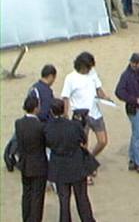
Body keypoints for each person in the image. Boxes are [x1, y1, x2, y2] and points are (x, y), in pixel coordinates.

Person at [44, 99, 95, 222]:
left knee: (64, 199)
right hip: (76, 164)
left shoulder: (48, 128)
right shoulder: (74, 125)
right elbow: (83, 140)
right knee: (82, 197)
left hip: (60, 166)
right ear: (64, 110)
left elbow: (48, 144)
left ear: (51, 112)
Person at [60, 52, 110, 166]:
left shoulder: (92, 73)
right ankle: (84, 169)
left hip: (95, 112)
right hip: (80, 114)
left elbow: (98, 89)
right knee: (83, 144)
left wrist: (105, 97)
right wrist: (65, 113)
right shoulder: (70, 78)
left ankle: (89, 159)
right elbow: (65, 97)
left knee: (103, 141)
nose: (89, 70)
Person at [113, 52, 139, 174]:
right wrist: (133, 99)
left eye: (138, 63)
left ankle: (133, 160)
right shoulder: (126, 75)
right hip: (135, 108)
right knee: (138, 137)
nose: (136, 65)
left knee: (136, 134)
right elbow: (119, 92)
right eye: (134, 63)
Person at [14, 93, 48, 222]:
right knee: (37, 197)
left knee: (26, 194)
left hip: (25, 164)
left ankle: (26, 218)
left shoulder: (18, 123)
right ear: (35, 108)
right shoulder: (40, 127)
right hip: (39, 165)